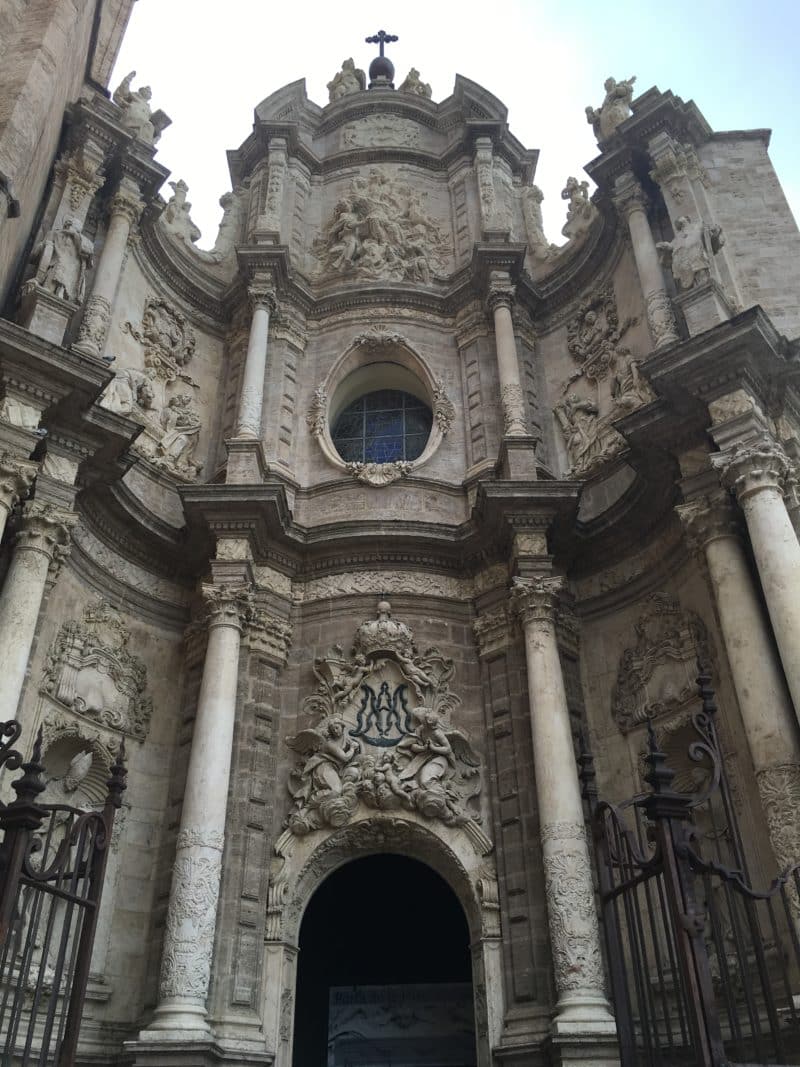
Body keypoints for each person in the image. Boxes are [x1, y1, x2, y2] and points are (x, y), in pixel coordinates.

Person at [33, 217, 93, 302]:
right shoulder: (55, 233)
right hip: (56, 266)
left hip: (68, 272)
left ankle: (59, 291)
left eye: (77, 230)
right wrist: (43, 245)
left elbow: (89, 256)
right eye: (74, 227)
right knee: (57, 272)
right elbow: (36, 254)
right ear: (68, 225)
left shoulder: (81, 242)